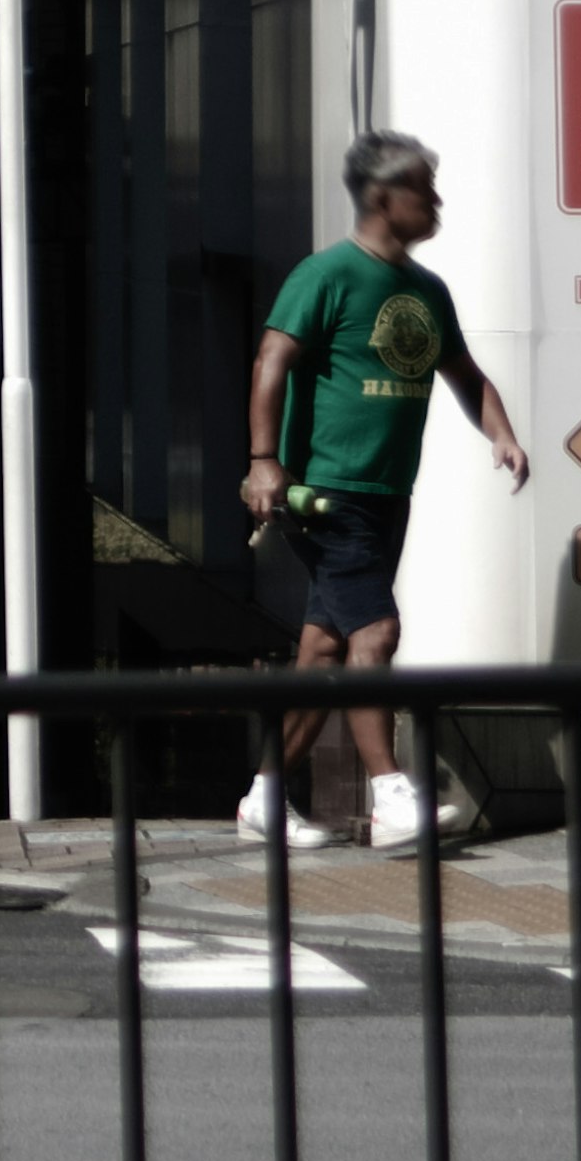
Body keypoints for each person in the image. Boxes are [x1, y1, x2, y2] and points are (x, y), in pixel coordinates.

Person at [238, 128, 528, 853]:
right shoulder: (327, 274)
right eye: (423, 191)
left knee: (324, 648)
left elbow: (464, 373)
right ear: (381, 197)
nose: (436, 204)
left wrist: (501, 434)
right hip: (326, 493)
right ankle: (392, 798)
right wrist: (264, 460)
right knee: (377, 633)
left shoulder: (427, 291)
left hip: (387, 492)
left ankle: (264, 800)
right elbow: (272, 358)